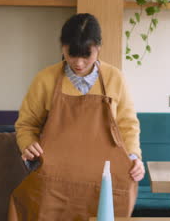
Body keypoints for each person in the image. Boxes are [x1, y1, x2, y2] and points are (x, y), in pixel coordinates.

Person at [8, 13, 145, 220]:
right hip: (54, 181)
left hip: (104, 178)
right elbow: (26, 124)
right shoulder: (45, 79)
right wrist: (28, 143)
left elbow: (128, 126)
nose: (79, 63)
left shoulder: (115, 78)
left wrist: (134, 158)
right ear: (62, 47)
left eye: (86, 55)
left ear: (98, 48)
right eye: (72, 55)